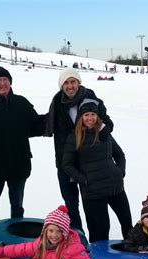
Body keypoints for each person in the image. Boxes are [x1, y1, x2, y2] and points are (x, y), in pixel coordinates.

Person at [0, 66, 46, 226]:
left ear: (10, 82)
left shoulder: (21, 103)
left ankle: (16, 242)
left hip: (19, 164)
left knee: (17, 207)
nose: (2, 83)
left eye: (5, 80)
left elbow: (36, 124)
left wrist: (55, 116)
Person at [44, 68, 114, 233]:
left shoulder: (92, 100)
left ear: (79, 83)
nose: (70, 86)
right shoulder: (57, 103)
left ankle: (95, 242)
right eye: (66, 83)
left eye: (73, 81)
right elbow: (45, 123)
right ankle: (78, 239)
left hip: (88, 164)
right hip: (65, 162)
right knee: (71, 205)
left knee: (92, 206)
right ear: (62, 86)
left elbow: (108, 125)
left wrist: (101, 132)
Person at [62, 99, 132, 243]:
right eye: (86, 115)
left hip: (115, 186)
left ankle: (134, 256)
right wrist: (85, 180)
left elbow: (120, 155)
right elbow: (67, 165)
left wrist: (120, 172)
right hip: (93, 192)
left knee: (127, 224)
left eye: (93, 114)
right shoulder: (74, 137)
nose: (90, 118)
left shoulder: (105, 133)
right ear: (81, 117)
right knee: (100, 232)